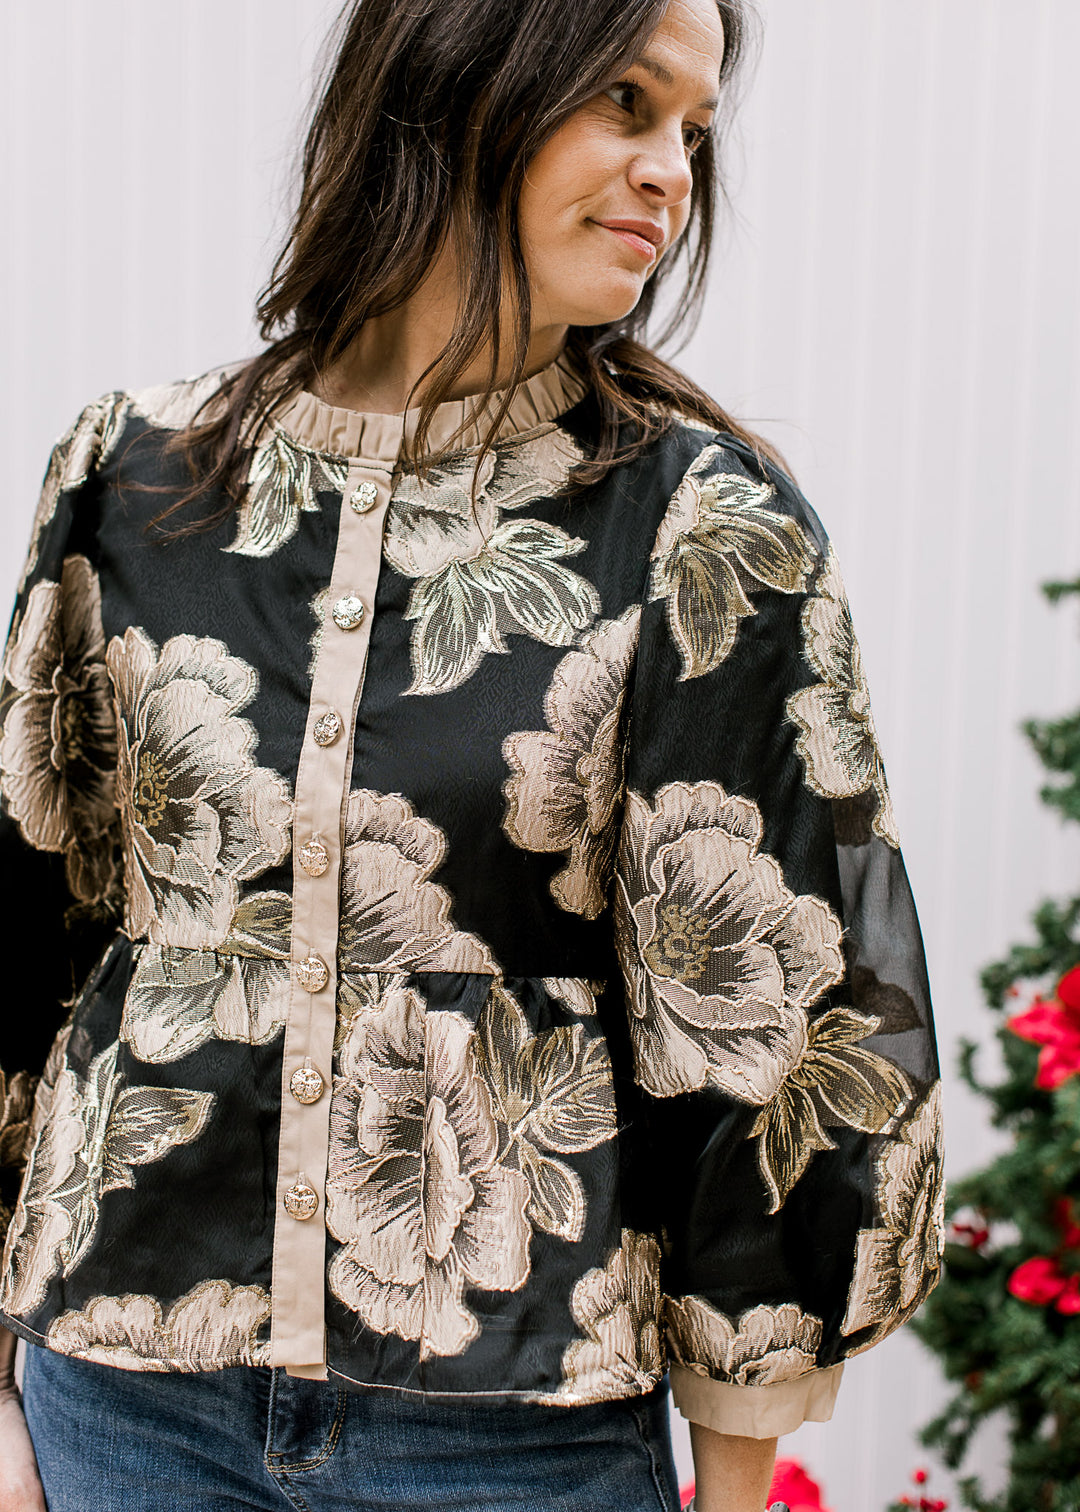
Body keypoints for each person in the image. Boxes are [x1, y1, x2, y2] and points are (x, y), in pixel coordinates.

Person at [0, 0, 944, 1508]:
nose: (670, 172)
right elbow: (36, 923)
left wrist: (742, 1451)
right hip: (118, 1398)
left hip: (511, 1437)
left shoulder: (704, 529)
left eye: (694, 131)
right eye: (626, 105)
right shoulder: (132, 473)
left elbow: (767, 1025)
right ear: (455, 85)